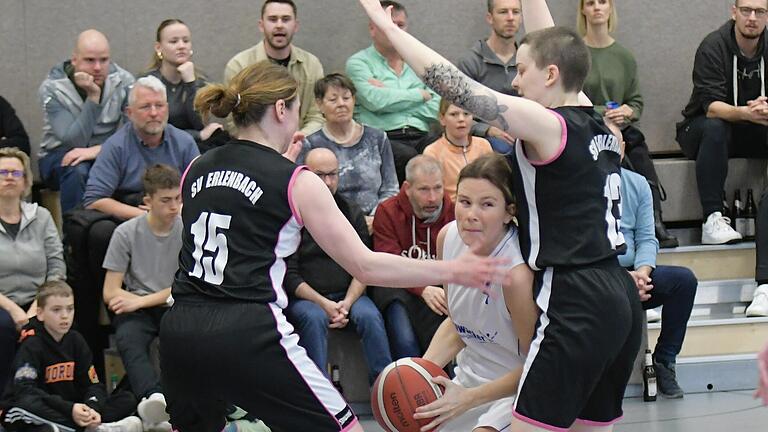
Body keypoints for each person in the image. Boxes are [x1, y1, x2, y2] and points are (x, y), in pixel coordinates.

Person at [159, 61, 506, 432]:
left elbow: (236, 208)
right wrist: (451, 270)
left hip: (181, 329)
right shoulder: (297, 181)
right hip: (247, 328)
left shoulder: (195, 166)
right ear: (281, 109)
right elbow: (366, 266)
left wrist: (278, 166)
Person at [357, 0, 643, 430]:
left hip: (576, 293)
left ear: (549, 76)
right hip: (618, 294)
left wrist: (388, 29)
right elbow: (555, 47)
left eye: (522, 69)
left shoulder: (550, 127)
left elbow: (458, 88)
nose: (514, 79)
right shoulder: (595, 119)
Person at [411, 154, 537, 432]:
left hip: (514, 392)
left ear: (509, 211)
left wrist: (468, 399)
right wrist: (420, 372)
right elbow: (458, 324)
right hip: (466, 380)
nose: (471, 214)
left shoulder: (515, 276)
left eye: (487, 204)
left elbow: (537, 366)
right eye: (465, 202)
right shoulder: (448, 238)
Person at [285, 148, 392, 384]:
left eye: (333, 174)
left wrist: (347, 303)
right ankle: (318, 392)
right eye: (320, 175)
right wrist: (323, 304)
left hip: (348, 295)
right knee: (313, 319)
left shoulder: (351, 211)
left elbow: (366, 263)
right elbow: (289, 276)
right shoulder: (291, 215)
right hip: (308, 298)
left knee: (370, 316)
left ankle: (385, 387)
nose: (327, 182)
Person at [578, 0, 678, 248]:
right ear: (583, 10)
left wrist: (628, 111)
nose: (597, 8)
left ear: (610, 8)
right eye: (590, 3)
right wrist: (604, 112)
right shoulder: (576, 54)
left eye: (602, 2)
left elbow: (636, 102)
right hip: (588, 127)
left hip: (623, 128)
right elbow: (571, 97)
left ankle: (655, 220)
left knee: (640, 154)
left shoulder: (624, 56)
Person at [676, 0, 768, 245]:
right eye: (746, 10)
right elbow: (713, 108)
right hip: (700, 127)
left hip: (753, 126)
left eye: (760, 12)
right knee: (715, 127)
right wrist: (748, 113)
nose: (752, 17)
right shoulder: (714, 46)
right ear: (734, 12)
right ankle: (712, 218)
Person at [102, 164, 183, 430]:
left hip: (175, 304)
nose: (174, 207)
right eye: (166, 200)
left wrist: (138, 300)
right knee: (128, 336)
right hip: (140, 310)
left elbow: (186, 284)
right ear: (147, 201)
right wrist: (135, 302)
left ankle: (163, 407)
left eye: (178, 199)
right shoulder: (126, 233)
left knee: (188, 335)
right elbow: (110, 291)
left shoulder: (187, 230)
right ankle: (153, 397)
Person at [0, 281, 141, 432]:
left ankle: (89, 426)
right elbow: (25, 392)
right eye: (56, 310)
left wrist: (92, 408)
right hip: (45, 407)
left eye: (70, 309)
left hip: (70, 408)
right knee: (26, 407)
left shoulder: (76, 340)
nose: (65, 316)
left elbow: (93, 384)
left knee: (127, 399)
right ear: (40, 314)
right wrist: (70, 409)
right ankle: (96, 429)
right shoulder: (31, 344)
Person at [616, 146, 697, 398]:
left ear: (622, 149)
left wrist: (642, 272)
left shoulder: (638, 183)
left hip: (636, 272)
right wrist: (622, 278)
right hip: (601, 275)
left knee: (683, 281)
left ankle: (664, 361)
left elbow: (647, 238)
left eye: (615, 143)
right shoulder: (580, 186)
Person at [38, 29, 135, 213]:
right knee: (78, 170)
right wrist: (93, 97)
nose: (97, 67)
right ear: (75, 60)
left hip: (105, 149)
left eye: (104, 60)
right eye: (90, 60)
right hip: (58, 154)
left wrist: (98, 150)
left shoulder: (124, 81)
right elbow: (74, 141)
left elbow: (135, 131)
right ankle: (76, 235)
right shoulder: (52, 88)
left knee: (131, 165)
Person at [346, 0, 441, 183]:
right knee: (410, 159)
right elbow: (374, 101)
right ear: (373, 28)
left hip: (421, 134)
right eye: (388, 25)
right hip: (381, 137)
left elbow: (438, 108)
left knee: (439, 152)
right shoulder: (358, 63)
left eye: (400, 25)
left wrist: (389, 95)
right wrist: (419, 95)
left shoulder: (421, 63)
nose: (395, 30)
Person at [370, 155, 455, 359]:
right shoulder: (388, 211)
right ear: (407, 188)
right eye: (424, 189)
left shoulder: (453, 211)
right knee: (405, 340)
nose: (433, 197)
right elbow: (387, 263)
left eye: (438, 188)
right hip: (398, 288)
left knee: (440, 343)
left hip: (440, 288)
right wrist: (422, 289)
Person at [0, 147, 66, 393]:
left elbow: (57, 265)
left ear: (26, 181)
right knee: (3, 326)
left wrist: (37, 306)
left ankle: (50, 402)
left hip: (38, 299)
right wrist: (16, 311)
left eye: (15, 173)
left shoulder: (42, 216)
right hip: (3, 302)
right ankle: (6, 400)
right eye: (3, 172)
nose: (9, 177)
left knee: (53, 320)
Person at [298, 73, 398, 229]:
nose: (341, 104)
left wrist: (375, 218)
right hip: (330, 225)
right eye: (333, 99)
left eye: (346, 98)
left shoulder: (377, 138)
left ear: (354, 100)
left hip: (376, 223)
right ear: (319, 104)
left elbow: (390, 189)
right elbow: (304, 193)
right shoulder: (310, 144)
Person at [224, 0, 324, 135]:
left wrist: (298, 140)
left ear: (295, 25)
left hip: (301, 144)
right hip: (256, 149)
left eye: (286, 19)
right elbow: (232, 121)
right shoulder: (239, 66)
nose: (279, 25)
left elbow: (317, 115)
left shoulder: (312, 65)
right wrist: (268, 145)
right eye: (272, 19)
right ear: (261, 25)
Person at [145, 19, 224, 149]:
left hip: (194, 149)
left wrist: (190, 83)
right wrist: (197, 135)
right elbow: (152, 130)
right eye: (174, 41)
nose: (182, 46)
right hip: (157, 148)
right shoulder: (148, 83)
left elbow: (200, 124)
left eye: (186, 41)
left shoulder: (200, 81)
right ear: (158, 47)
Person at [456, 0, 523, 154]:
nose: (511, 17)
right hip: (487, 137)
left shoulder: (528, 59)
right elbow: (454, 111)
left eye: (516, 12)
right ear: (490, 18)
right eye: (503, 12)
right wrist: (486, 130)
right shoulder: (471, 61)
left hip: (524, 131)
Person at [423, 99, 494, 201]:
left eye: (466, 114)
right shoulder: (432, 152)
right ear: (442, 119)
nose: (461, 119)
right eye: (454, 114)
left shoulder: (483, 145)